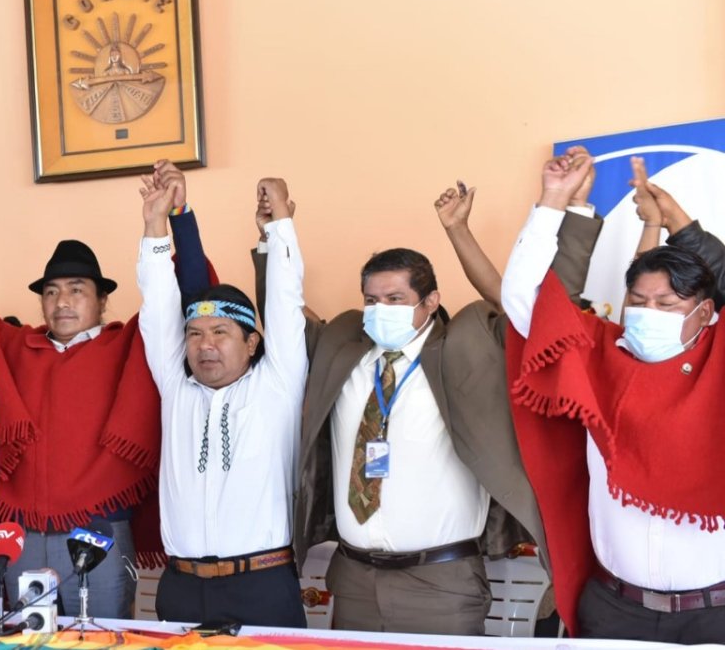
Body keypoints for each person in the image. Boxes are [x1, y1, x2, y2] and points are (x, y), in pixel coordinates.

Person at [275, 149, 603, 635]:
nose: (378, 309)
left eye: (395, 299)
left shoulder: (467, 346)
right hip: (353, 578)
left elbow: (535, 310)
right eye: (371, 299)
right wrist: (274, 233)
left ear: (430, 301)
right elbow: (282, 319)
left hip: (442, 582)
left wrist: (560, 209)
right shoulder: (343, 345)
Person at [0, 161, 212, 619]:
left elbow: (193, 297)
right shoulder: (14, 346)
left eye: (76, 289)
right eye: (51, 292)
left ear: (101, 300)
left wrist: (179, 215)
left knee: (103, 638)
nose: (62, 301)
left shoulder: (129, 343)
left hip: (100, 528)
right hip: (22, 531)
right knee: (23, 642)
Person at [502, 153, 725, 642]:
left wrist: (679, 225)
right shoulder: (598, 352)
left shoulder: (720, 361)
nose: (648, 313)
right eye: (639, 302)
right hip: (614, 607)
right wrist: (553, 200)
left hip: (715, 613)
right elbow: (524, 300)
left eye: (667, 305)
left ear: (706, 311)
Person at [138, 176, 307, 627]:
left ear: (251, 343)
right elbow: (156, 307)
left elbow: (286, 300)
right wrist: (155, 225)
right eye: (194, 334)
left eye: (220, 333)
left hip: (262, 586)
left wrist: (280, 226)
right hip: (181, 587)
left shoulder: (278, 384)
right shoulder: (175, 387)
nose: (205, 345)